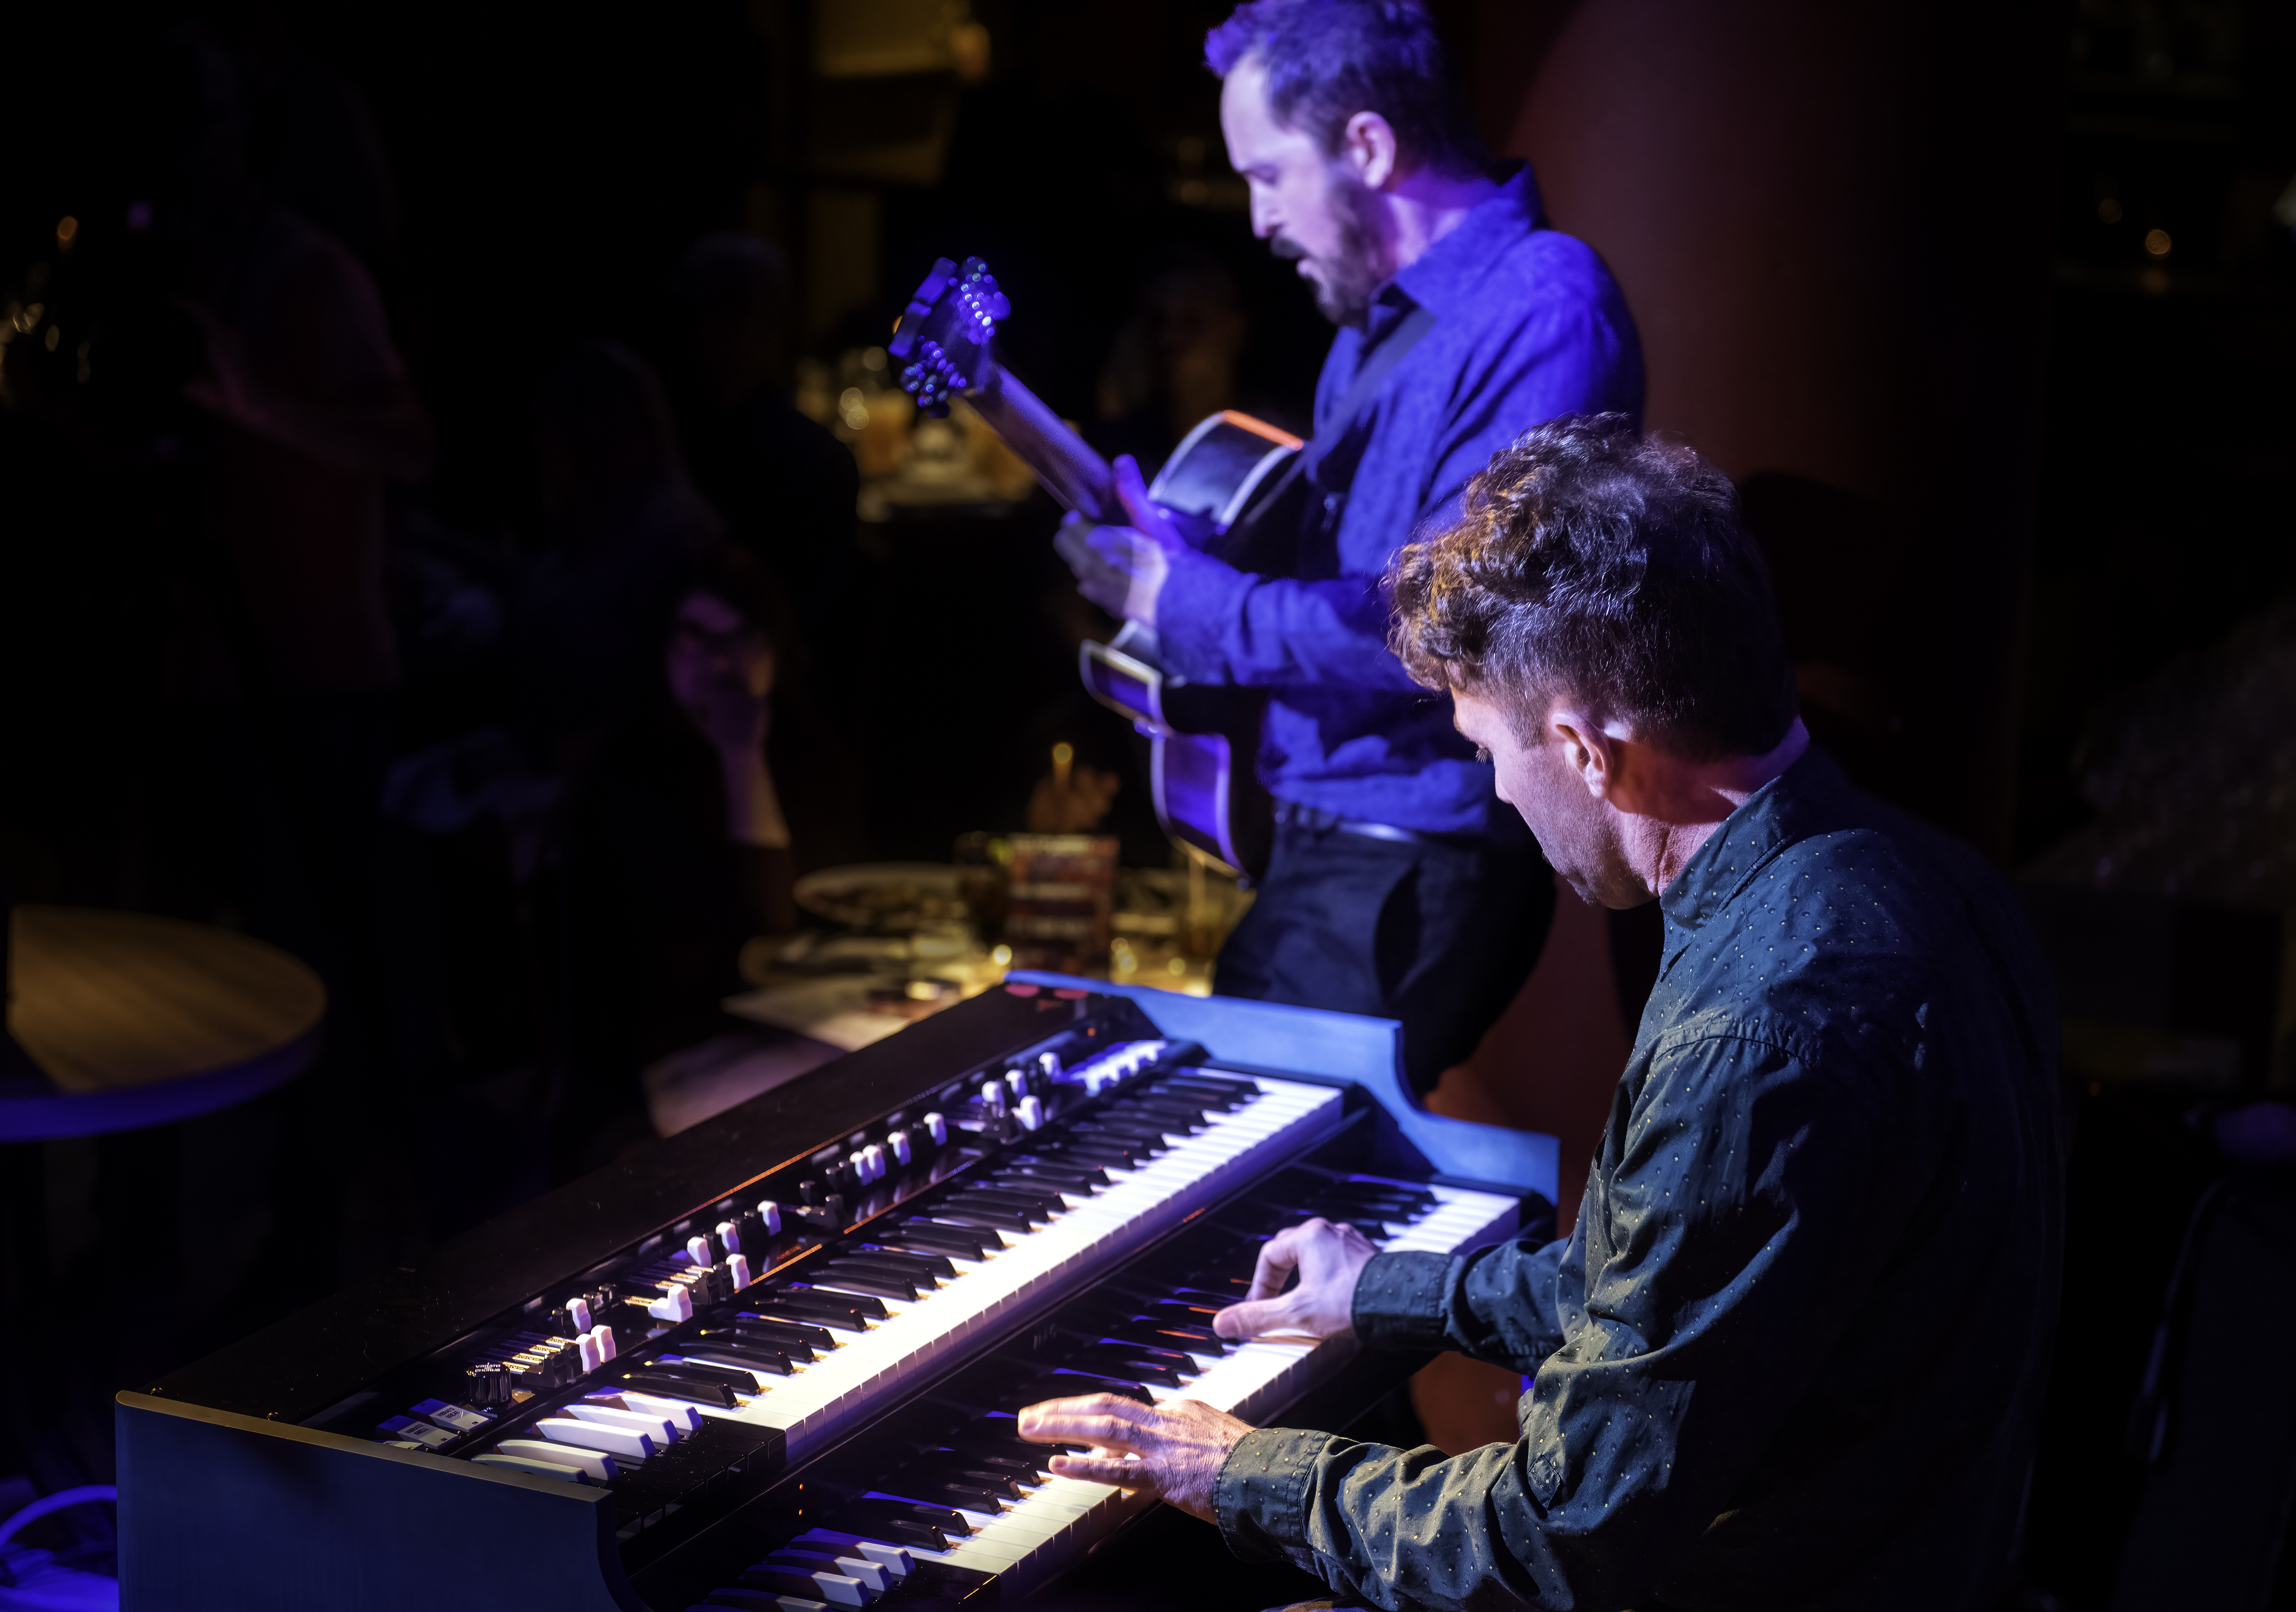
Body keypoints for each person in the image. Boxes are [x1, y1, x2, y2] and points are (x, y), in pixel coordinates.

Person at [1021, 416, 2063, 1609]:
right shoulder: (1922, 877)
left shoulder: (1759, 1033)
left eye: (1485, 749)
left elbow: (1558, 1538)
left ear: (1581, 749)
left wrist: (1240, 1466)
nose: (1496, 787)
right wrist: (1387, 1290)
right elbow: (1676, 1291)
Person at [1055, 0, 1643, 1092]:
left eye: (1269, 175)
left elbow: (1441, 622)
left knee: (1231, 1174)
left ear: (1367, 147)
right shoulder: (1374, 326)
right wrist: (1195, 553)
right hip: (1335, 834)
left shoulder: (1544, 309)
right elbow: (1351, 580)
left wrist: (1186, 604)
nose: (1257, 218)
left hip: (1411, 850)